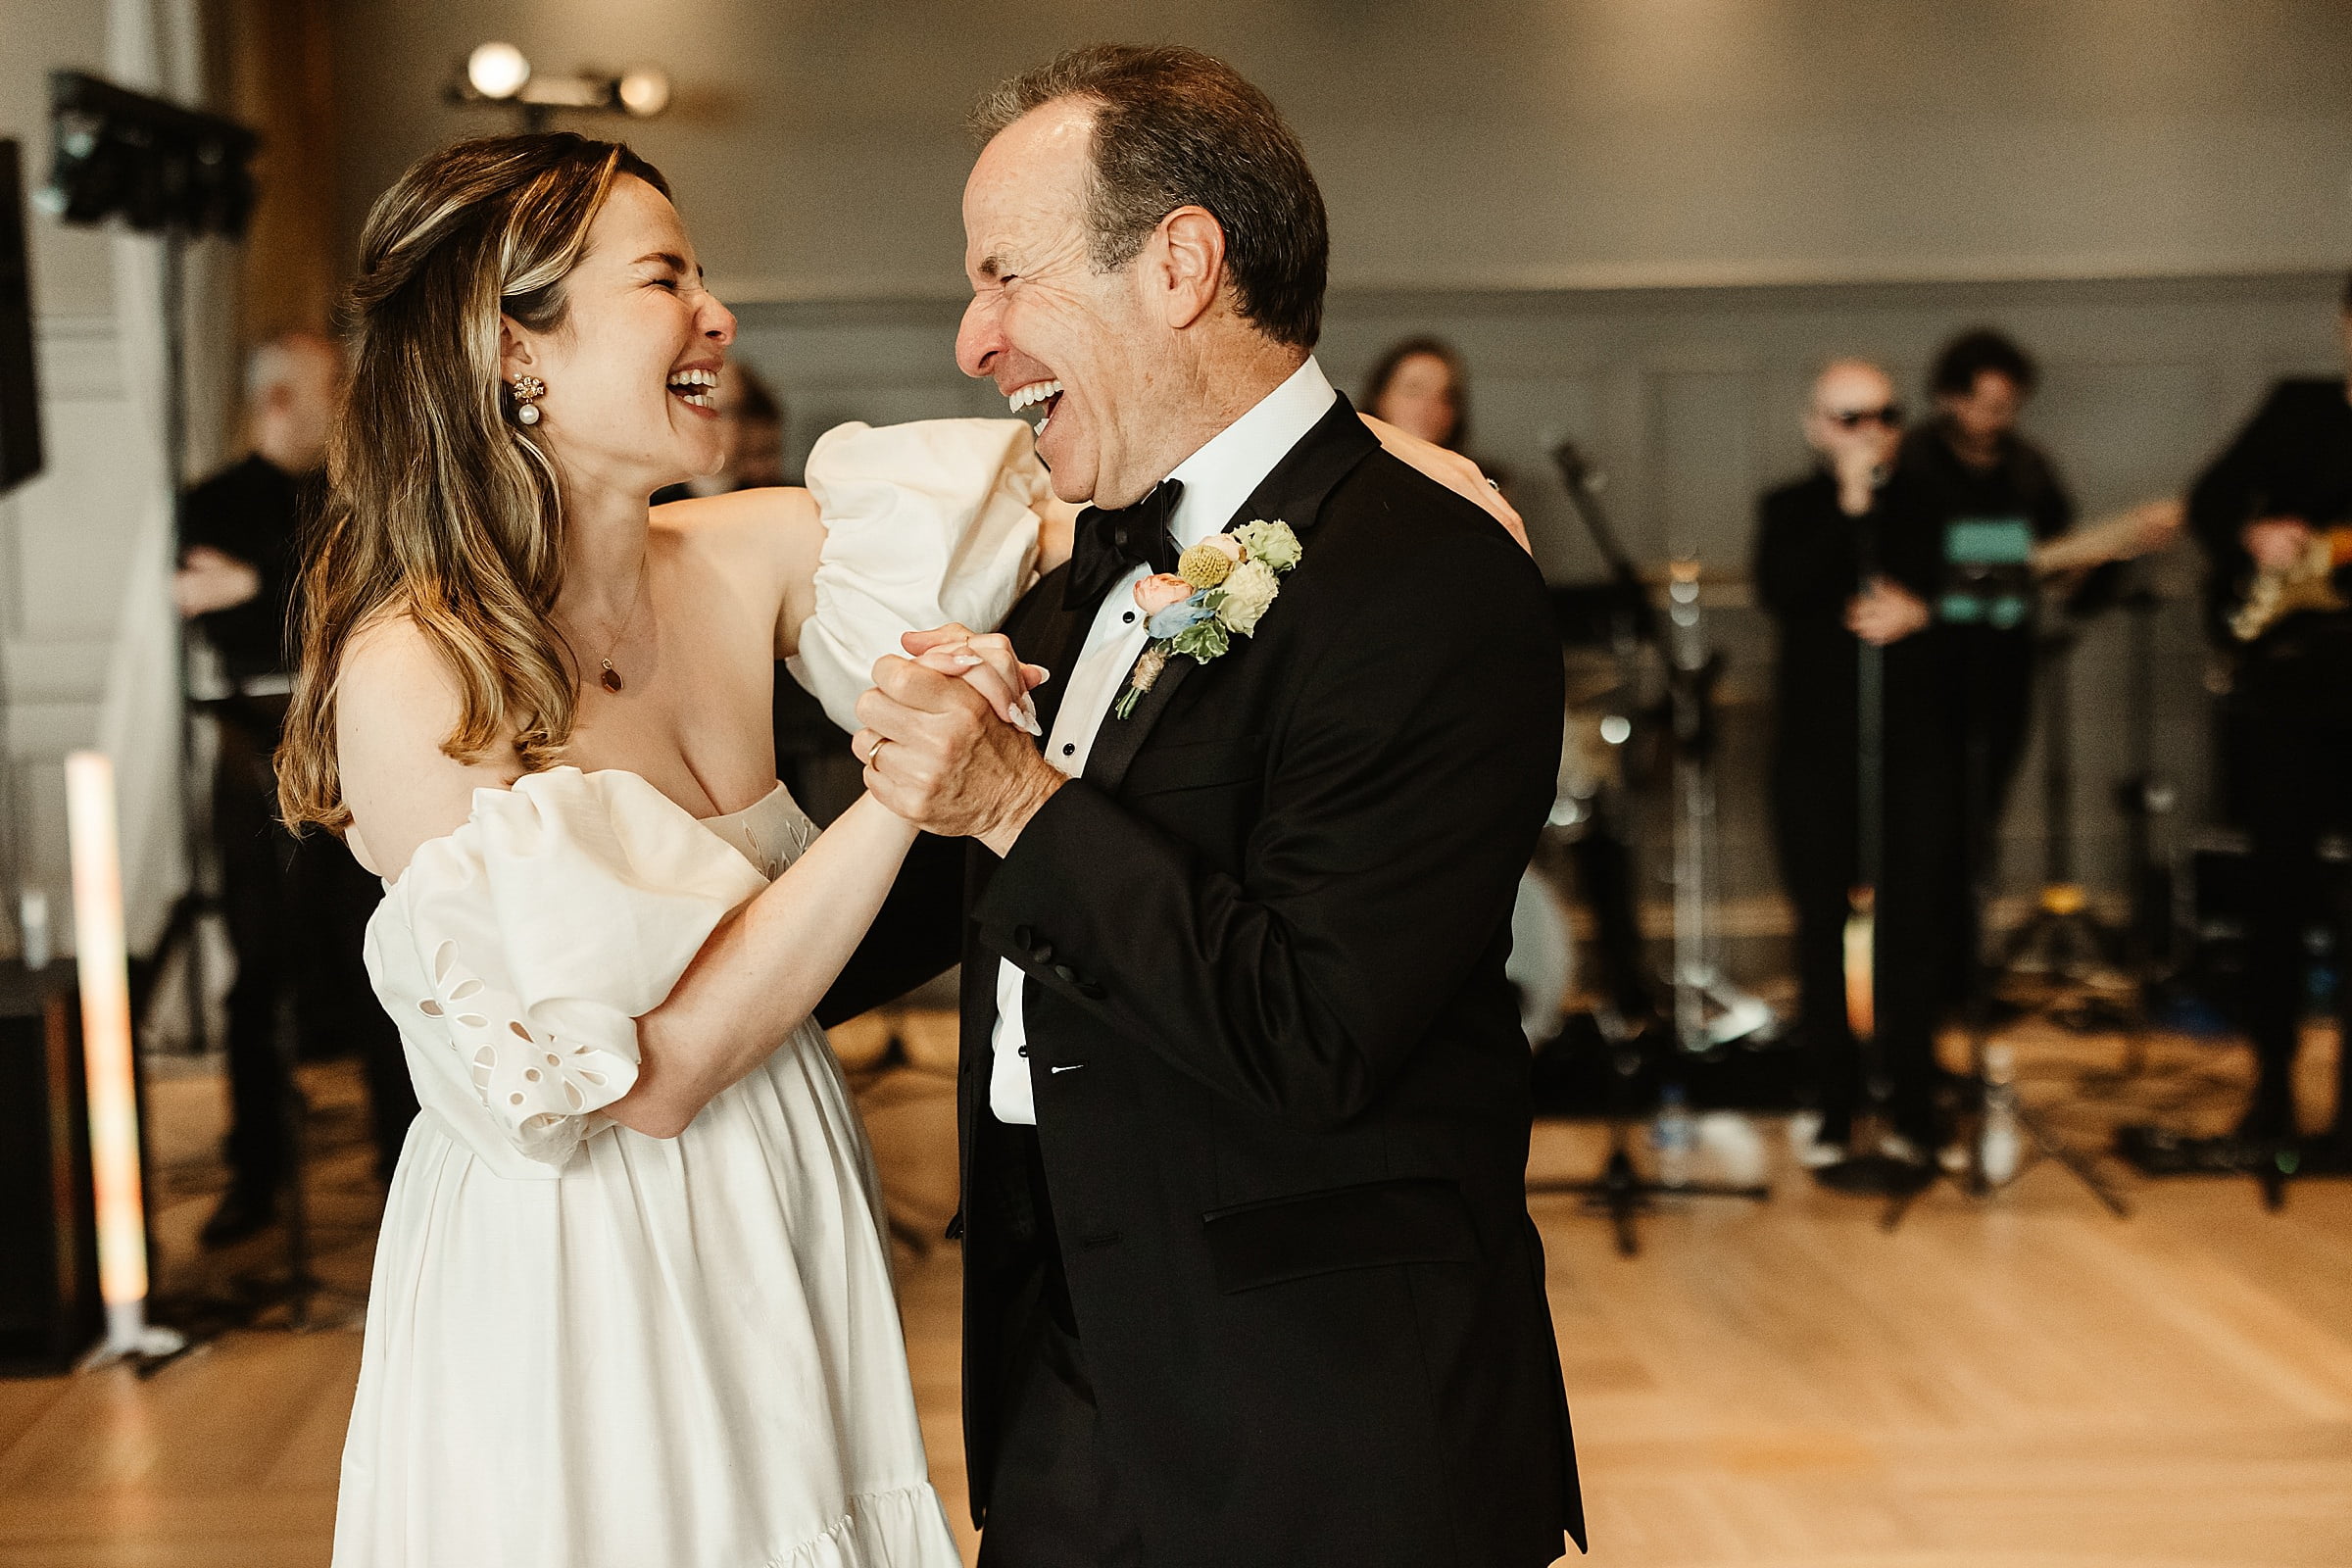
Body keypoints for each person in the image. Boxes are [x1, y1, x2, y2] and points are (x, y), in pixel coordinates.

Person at [284, 131, 1512, 1568]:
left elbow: (1091, 489)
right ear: (517, 352)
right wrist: (915, 790)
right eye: (665, 279)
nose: (717, 316)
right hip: (578, 1270)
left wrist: (1389, 475)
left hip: (781, 1191)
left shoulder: (745, 556)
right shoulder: (412, 669)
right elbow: (657, 1076)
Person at [831, 46, 1581, 1567]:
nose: (974, 339)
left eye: (1007, 279)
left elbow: (1318, 1032)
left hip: (1331, 1439)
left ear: (1180, 263)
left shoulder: (1428, 582)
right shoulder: (1083, 567)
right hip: (1073, 1396)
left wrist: (1022, 802)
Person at [174, 331, 419, 1243]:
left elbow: (363, 594)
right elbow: (230, 615)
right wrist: (256, 591)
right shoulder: (208, 504)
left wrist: (255, 586)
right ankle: (257, 1174)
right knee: (257, 974)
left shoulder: (359, 498)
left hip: (362, 757)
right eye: (332, 386)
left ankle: (407, 1165)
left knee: (386, 959)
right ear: (281, 401)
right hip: (255, 767)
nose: (348, 397)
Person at [1753, 360, 1946, 1160]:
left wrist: (1921, 610)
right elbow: (1784, 590)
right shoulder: (1791, 509)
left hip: (1911, 749)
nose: (1869, 433)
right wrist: (1850, 503)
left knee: (1913, 924)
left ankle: (1911, 1098)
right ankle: (1830, 1096)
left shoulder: (1932, 506)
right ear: (1815, 428)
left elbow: (1984, 600)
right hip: (1815, 751)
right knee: (1821, 924)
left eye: (1882, 416)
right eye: (1848, 418)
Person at [2185, 272, 2352, 1154]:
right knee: (2278, 896)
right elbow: (2211, 500)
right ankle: (2272, 1088)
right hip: (2288, 686)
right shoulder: (2299, 409)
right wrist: (2256, 537)